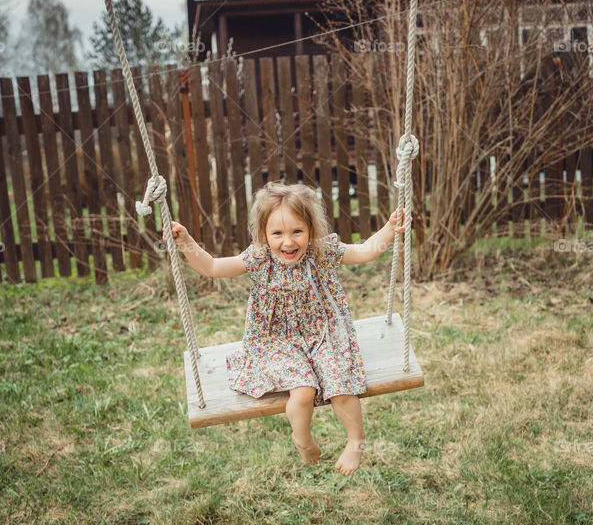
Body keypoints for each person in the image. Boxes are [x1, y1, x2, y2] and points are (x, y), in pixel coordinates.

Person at [164, 181, 409, 476]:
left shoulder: (322, 251)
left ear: (310, 229)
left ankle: (356, 442)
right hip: (275, 340)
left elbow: (366, 251)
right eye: (277, 233)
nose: (288, 242)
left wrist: (389, 228)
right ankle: (302, 438)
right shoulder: (259, 260)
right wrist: (187, 242)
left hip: (323, 333)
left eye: (297, 231)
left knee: (341, 384)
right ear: (264, 234)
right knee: (303, 391)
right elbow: (213, 267)